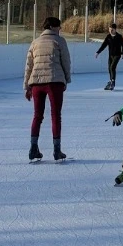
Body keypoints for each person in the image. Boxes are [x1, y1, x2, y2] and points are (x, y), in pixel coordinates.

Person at [24, 17, 72, 162]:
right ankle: (57, 150)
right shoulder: (59, 41)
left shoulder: (35, 42)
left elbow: (28, 66)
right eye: (59, 27)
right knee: (55, 115)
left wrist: (27, 86)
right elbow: (66, 61)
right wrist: (66, 79)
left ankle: (33, 148)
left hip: (36, 83)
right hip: (54, 82)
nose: (60, 29)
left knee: (37, 116)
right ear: (52, 27)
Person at [95, 22, 123, 91]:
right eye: (109, 29)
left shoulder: (119, 36)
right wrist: (98, 52)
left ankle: (113, 81)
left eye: (112, 29)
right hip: (110, 55)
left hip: (117, 55)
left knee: (112, 67)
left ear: (115, 29)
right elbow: (103, 45)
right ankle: (111, 81)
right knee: (109, 68)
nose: (110, 31)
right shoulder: (108, 37)